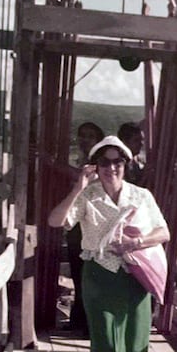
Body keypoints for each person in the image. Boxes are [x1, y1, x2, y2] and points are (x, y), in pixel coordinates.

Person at [48, 135, 170, 352]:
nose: (111, 168)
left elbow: (164, 232)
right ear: (95, 166)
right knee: (103, 346)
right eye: (104, 162)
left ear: (126, 165)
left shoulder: (141, 196)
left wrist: (136, 242)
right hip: (100, 276)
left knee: (134, 339)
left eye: (118, 162)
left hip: (135, 275)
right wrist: (77, 187)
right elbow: (55, 221)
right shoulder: (87, 196)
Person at [66, 122, 104, 333]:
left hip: (92, 228)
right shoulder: (82, 160)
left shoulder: (100, 162)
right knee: (79, 277)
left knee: (89, 279)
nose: (85, 139)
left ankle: (89, 326)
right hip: (77, 228)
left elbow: (85, 178)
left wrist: (52, 163)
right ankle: (81, 322)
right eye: (82, 135)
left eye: (90, 136)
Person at [117, 121, 147, 185]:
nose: (141, 143)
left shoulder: (141, 160)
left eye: (142, 140)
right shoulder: (118, 164)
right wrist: (145, 175)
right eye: (136, 140)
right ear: (124, 142)